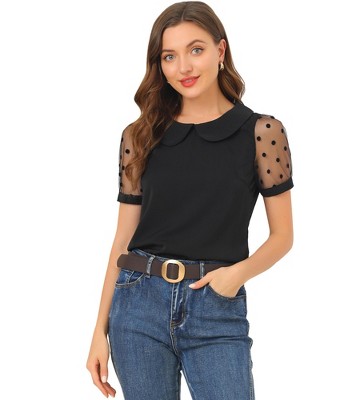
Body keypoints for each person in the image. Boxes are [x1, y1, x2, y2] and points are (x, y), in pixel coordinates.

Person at [86, 1, 294, 399]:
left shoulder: (262, 132)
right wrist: (99, 329)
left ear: (220, 50)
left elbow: (283, 236)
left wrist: (234, 276)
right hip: (137, 306)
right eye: (169, 56)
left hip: (216, 307)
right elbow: (122, 241)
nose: (183, 67)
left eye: (195, 49)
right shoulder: (139, 136)